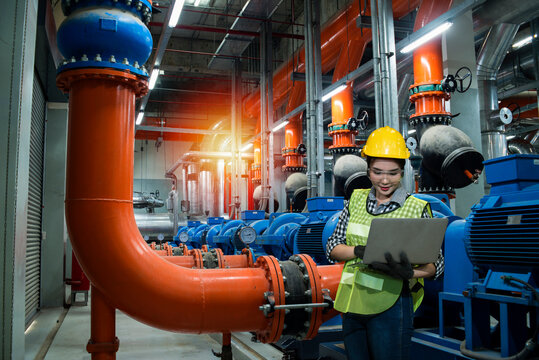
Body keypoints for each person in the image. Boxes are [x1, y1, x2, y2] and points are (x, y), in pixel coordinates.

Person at [326, 126, 444, 360]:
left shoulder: (416, 208)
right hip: (352, 304)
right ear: (368, 170)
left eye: (393, 173)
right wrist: (359, 250)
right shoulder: (355, 201)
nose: (385, 180)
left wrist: (411, 273)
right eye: (377, 172)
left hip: (391, 306)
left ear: (403, 171)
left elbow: (436, 265)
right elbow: (333, 247)